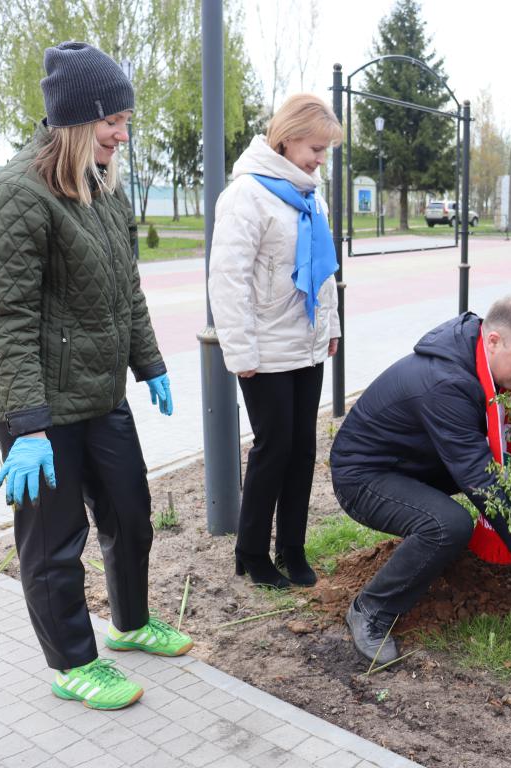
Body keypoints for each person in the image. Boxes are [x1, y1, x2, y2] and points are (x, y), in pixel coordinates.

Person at [0, 42, 191, 710]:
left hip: (98, 393)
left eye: (126, 120)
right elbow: (6, 321)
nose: (124, 134)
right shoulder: (13, 199)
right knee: (54, 544)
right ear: (73, 120)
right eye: (113, 121)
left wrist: (147, 363)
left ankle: (128, 624)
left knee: (131, 514)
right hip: (35, 407)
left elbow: (128, 293)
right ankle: (72, 664)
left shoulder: (102, 189)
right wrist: (29, 427)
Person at [330, 297, 511, 663]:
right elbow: (482, 483)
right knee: (448, 525)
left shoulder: (472, 355)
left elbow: (504, 440)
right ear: (494, 341)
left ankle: (508, 545)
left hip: (413, 461)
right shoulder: (445, 384)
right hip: (364, 477)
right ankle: (371, 609)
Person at [209, 94, 342, 590]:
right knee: (274, 448)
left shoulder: (310, 194)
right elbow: (228, 279)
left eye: (326, 150)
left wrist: (330, 326)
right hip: (264, 349)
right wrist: (239, 351)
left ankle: (292, 547)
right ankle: (251, 552)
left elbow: (324, 271)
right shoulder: (246, 195)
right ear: (286, 139)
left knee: (302, 449)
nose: (321, 159)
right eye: (316, 148)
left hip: (307, 345)